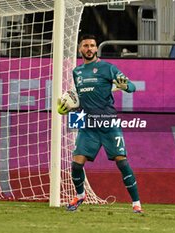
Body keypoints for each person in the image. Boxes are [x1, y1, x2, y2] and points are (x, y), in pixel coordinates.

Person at [57, 34, 143, 213]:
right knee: (76, 164)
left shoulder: (107, 68)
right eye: (86, 46)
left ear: (96, 49)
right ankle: (80, 196)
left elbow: (132, 87)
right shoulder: (77, 72)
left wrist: (126, 86)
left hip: (109, 125)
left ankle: (136, 203)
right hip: (88, 126)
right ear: (80, 49)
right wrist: (69, 107)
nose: (89, 49)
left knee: (122, 161)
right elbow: (81, 98)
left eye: (92, 46)